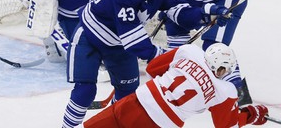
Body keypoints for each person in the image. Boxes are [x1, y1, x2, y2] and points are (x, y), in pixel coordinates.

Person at [61, 0, 231, 127]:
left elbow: (178, 13)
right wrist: (161, 55)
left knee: (126, 95)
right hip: (90, 38)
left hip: (119, 45)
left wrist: (204, 14)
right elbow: (132, 38)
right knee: (85, 91)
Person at [83, 43, 269, 128]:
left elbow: (153, 68)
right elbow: (225, 124)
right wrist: (252, 115)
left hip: (133, 103)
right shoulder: (225, 91)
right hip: (158, 124)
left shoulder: (189, 51)